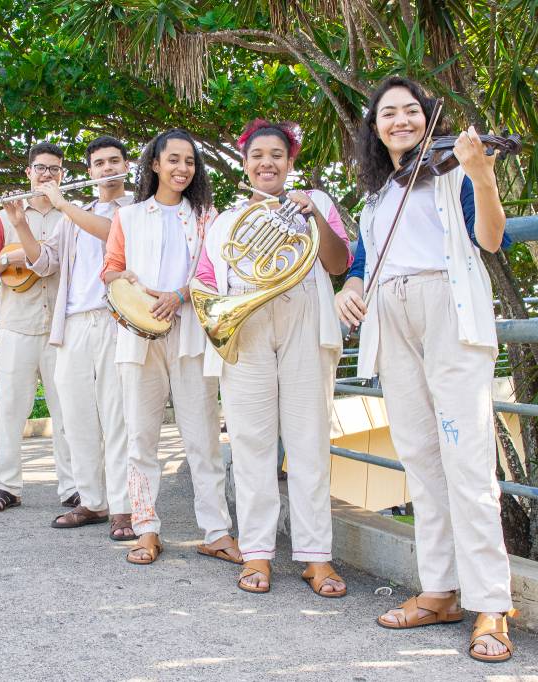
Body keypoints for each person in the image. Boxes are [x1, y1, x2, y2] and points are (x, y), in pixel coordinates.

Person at [334, 76, 516, 662]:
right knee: (419, 457)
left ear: (429, 118)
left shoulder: (453, 174)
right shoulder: (378, 193)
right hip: (393, 321)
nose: (400, 121)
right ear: (374, 128)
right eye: (388, 114)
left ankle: (491, 602)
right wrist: (350, 288)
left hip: (448, 315)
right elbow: (362, 259)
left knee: (467, 462)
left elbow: (490, 240)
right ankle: (439, 590)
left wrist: (483, 174)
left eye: (411, 111)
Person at [193, 119, 353, 596]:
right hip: (246, 326)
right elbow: (204, 280)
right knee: (251, 445)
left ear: (291, 161)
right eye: (258, 155)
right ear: (246, 163)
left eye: (277, 155)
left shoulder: (316, 203)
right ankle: (258, 553)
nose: (267, 163)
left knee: (309, 444)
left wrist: (313, 218)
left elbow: (339, 263)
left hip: (305, 320)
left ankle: (316, 558)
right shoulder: (226, 220)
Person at [101, 128, 240, 566]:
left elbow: (213, 272)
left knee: (202, 437)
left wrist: (178, 295)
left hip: (190, 333)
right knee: (140, 437)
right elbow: (110, 270)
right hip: (138, 337)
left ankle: (217, 532)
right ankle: (146, 529)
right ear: (155, 164)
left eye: (190, 161)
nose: (182, 168)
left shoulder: (207, 216)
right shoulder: (128, 216)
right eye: (173, 160)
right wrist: (124, 283)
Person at [3, 136, 135, 539]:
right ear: (90, 171)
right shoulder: (73, 217)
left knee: (117, 417)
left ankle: (124, 508)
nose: (107, 168)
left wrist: (61, 202)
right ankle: (92, 502)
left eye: (114, 161)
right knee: (76, 418)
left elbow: (114, 235)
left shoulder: (136, 210)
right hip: (74, 323)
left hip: (116, 320)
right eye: (99, 163)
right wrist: (21, 222)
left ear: (126, 167)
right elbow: (44, 265)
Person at [0, 143, 78, 514]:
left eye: (54, 169)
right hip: (17, 325)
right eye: (40, 168)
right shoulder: (4, 218)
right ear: (28, 173)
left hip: (60, 328)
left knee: (67, 411)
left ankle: (72, 488)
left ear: (62, 175)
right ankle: (8, 487)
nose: (47, 174)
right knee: (10, 410)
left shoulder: (72, 216)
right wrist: (10, 257)